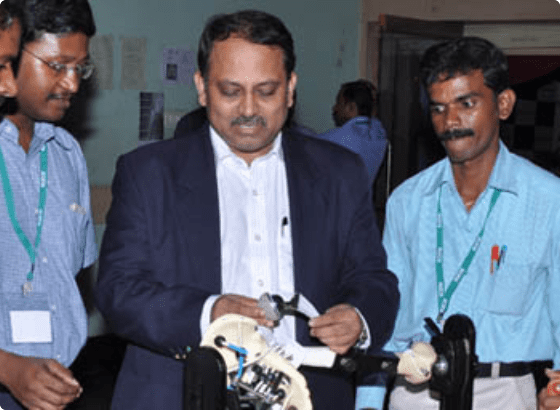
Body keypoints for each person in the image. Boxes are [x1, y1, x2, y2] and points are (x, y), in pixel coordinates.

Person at [95, 9, 399, 410]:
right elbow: (118, 290)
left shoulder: (339, 172)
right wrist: (210, 313)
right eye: (230, 91)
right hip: (182, 392)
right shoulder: (148, 173)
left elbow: (373, 278)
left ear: (290, 89)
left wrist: (358, 317)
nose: (248, 109)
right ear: (202, 88)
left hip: (308, 395)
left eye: (266, 91)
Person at [356, 37, 560, 410]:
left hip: (504, 393)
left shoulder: (549, 200)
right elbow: (387, 309)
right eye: (438, 108)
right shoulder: (408, 201)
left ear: (503, 104)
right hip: (415, 391)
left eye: (466, 104)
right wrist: (369, 401)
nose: (450, 122)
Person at [0, 0, 97, 409]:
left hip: (56, 384)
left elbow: (71, 274)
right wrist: (8, 368)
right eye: (57, 66)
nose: (72, 84)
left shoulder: (67, 155)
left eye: (80, 68)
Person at [316, 80, 387, 187]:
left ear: (351, 107)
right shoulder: (378, 134)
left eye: (338, 103)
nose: (334, 108)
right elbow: (374, 120)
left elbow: (310, 143)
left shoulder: (339, 139)